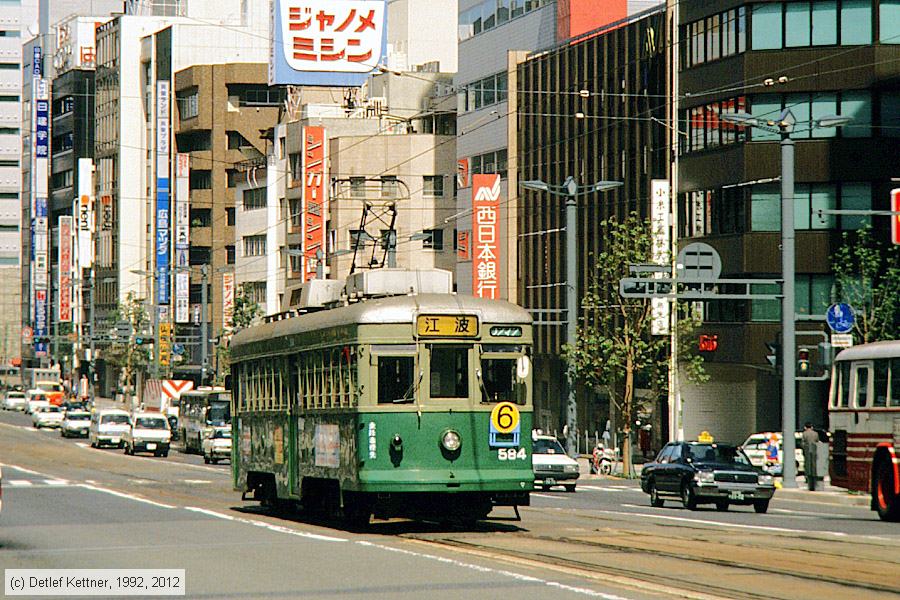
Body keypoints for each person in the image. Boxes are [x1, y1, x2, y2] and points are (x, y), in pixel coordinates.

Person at [802, 422, 819, 491]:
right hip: (815, 452)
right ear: (811, 427)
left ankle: (809, 483)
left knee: (808, 467)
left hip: (807, 451)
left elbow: (803, 443)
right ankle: (815, 482)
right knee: (814, 467)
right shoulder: (816, 434)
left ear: (805, 427)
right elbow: (817, 442)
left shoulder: (804, 434)